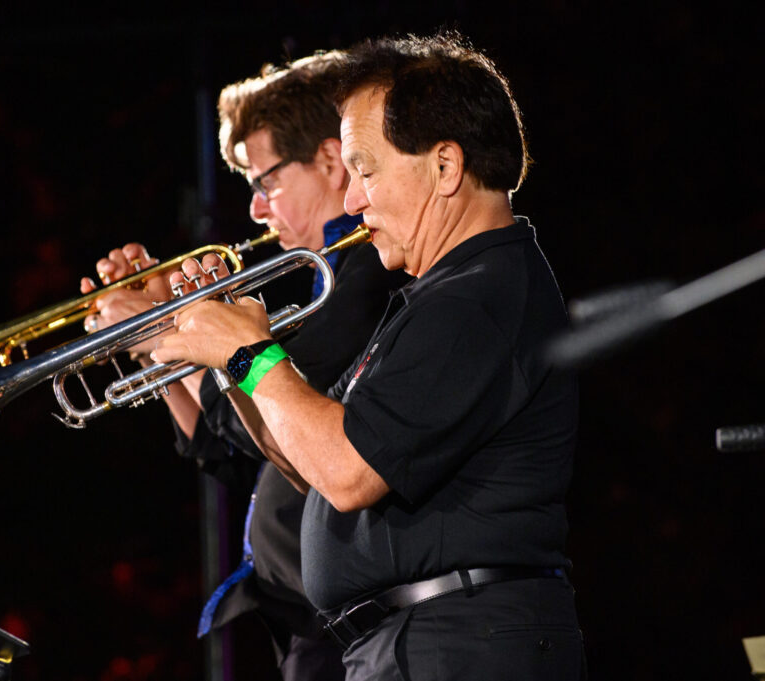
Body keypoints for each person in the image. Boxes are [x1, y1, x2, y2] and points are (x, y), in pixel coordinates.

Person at [152, 33, 585, 681]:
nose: (352, 200)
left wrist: (249, 353)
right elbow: (311, 469)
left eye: (366, 169)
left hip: (453, 644)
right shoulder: (444, 294)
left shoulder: (475, 299)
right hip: (421, 644)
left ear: (445, 166)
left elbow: (348, 471)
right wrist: (231, 359)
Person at [81, 53, 408, 680]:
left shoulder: (366, 273)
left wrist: (168, 329)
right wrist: (160, 344)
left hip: (350, 618)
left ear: (329, 161)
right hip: (307, 616)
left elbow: (277, 409)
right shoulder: (322, 282)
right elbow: (232, 451)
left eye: (266, 183)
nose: (256, 209)